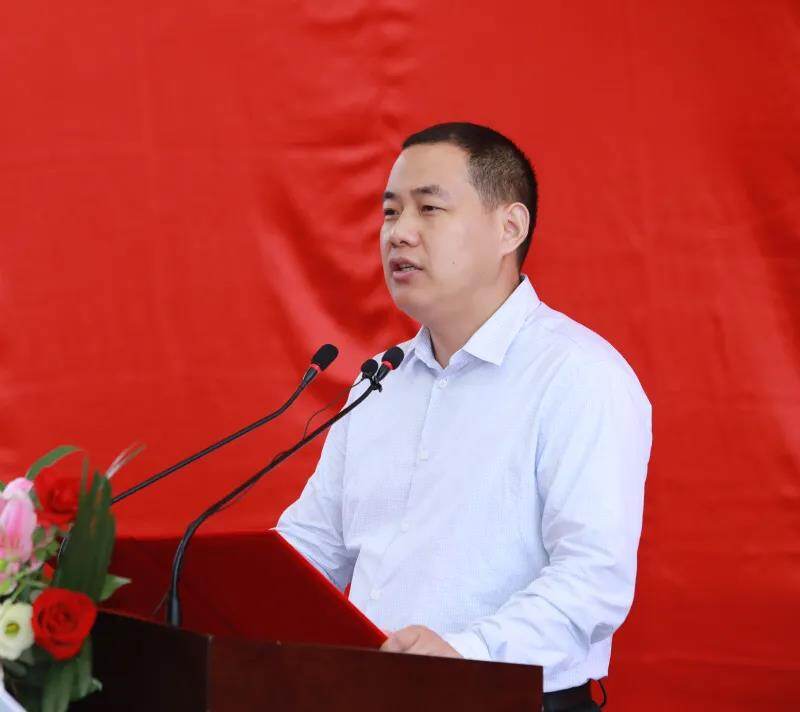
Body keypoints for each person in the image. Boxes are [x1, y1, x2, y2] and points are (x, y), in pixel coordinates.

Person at [275, 122, 652, 711]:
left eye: (429, 209)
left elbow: (592, 579)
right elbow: (311, 549)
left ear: (509, 228)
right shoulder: (381, 381)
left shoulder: (578, 376)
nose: (400, 233)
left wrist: (468, 653)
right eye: (390, 212)